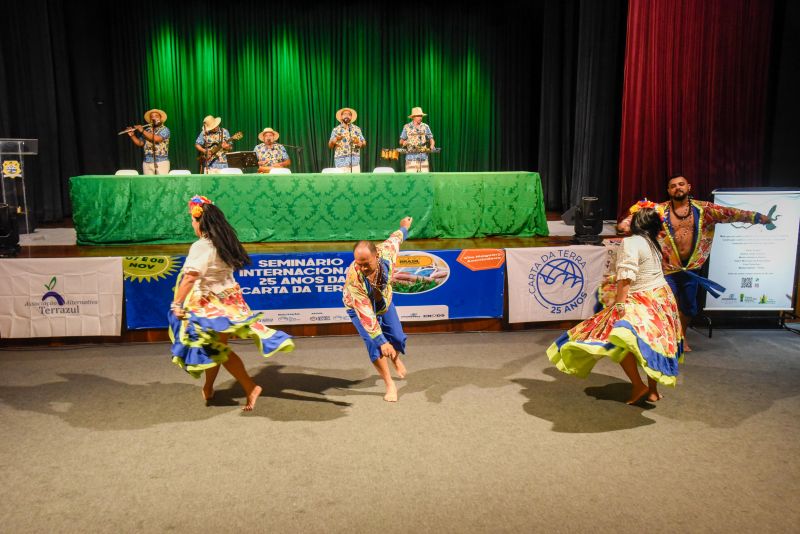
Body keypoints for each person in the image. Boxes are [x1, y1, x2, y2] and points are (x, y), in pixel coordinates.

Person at [616, 174, 773, 350]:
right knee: (667, 304)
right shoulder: (660, 210)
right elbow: (638, 214)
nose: (677, 188)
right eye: (673, 186)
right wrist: (625, 224)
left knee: (689, 308)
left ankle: (681, 335)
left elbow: (732, 213)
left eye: (681, 184)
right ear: (668, 190)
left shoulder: (704, 210)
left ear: (688, 187)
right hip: (667, 268)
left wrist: (758, 217)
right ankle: (666, 338)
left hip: (692, 268)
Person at [547, 203, 683, 405]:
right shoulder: (654, 241)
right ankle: (652, 391)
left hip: (642, 298)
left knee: (616, 340)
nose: (626, 220)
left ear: (639, 223)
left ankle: (639, 386)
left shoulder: (632, 242)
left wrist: (619, 306)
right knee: (650, 343)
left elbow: (626, 277)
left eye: (631, 218)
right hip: (661, 297)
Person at [168, 195, 295, 410]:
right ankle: (209, 387)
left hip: (211, 305)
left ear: (200, 221)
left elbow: (190, 276)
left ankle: (250, 386)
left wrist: (177, 304)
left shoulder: (202, 246)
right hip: (230, 301)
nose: (192, 224)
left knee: (216, 349)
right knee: (217, 348)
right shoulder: (224, 241)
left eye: (192, 220)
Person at [343, 216, 413, 402]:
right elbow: (366, 315)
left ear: (376, 255)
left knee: (397, 337)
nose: (363, 267)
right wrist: (381, 341)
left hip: (384, 301)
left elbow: (395, 238)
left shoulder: (387, 252)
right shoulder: (353, 277)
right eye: (359, 263)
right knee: (374, 343)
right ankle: (389, 383)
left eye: (367, 263)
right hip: (358, 308)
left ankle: (395, 358)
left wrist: (404, 227)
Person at [126, 108, 170, 175]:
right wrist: (132, 135)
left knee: (162, 183)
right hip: (147, 162)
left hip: (161, 162)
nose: (154, 118)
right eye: (152, 117)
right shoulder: (148, 130)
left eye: (156, 116)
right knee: (148, 184)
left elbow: (157, 139)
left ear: (161, 118)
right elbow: (140, 143)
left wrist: (142, 131)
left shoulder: (165, 129)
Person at [328, 107, 366, 173]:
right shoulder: (336, 130)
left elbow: (364, 142)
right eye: (344, 114)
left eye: (349, 114)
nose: (347, 115)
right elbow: (330, 146)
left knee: (355, 182)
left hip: (354, 162)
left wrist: (361, 143)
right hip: (341, 163)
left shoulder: (357, 129)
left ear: (351, 117)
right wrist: (336, 139)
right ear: (341, 117)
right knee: (342, 182)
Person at [399, 107, 435, 173]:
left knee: (425, 180)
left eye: (421, 116)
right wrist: (404, 142)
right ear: (413, 117)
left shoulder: (425, 126)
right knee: (411, 180)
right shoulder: (407, 127)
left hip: (423, 158)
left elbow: (431, 139)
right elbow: (401, 141)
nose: (420, 117)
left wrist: (432, 145)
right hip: (410, 158)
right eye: (418, 116)